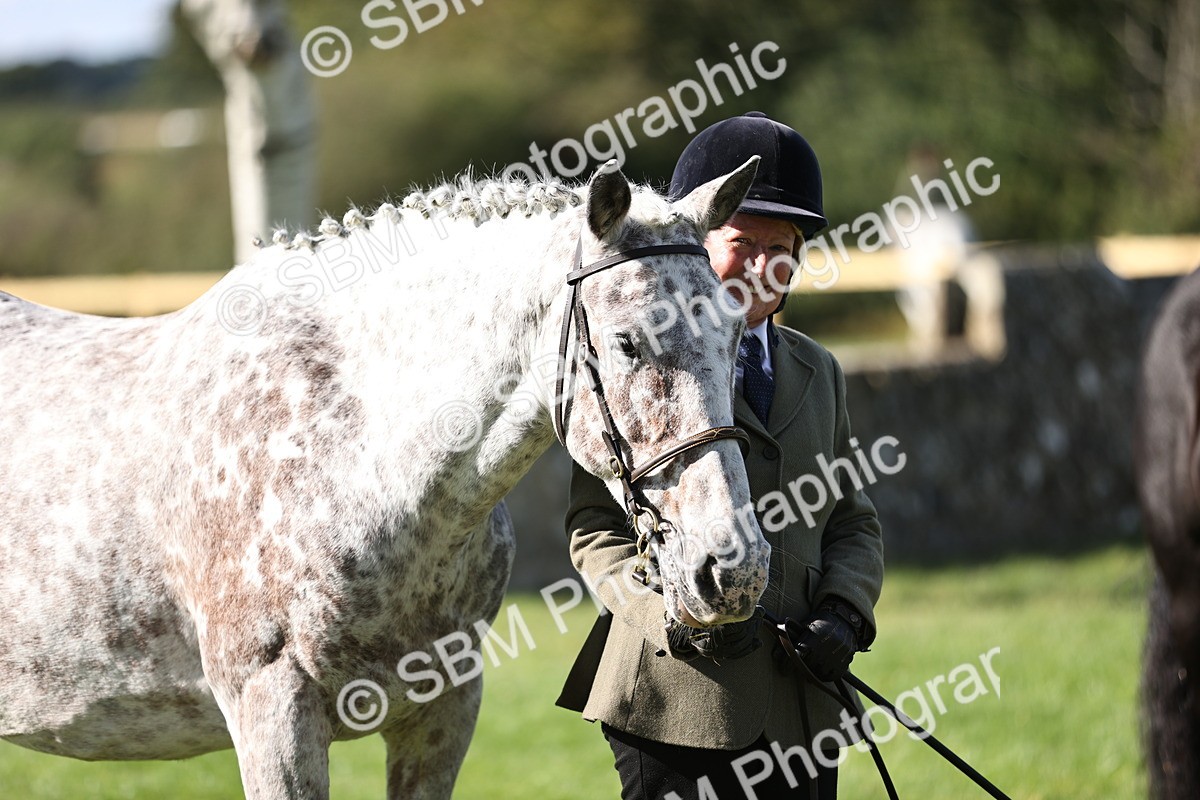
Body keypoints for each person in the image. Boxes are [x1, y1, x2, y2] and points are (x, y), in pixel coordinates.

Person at [556, 112, 885, 800]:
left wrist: (845, 616)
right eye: (742, 242)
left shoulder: (819, 370)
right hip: (675, 699)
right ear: (698, 242)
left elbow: (852, 518)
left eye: (783, 246)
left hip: (799, 703)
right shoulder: (643, 363)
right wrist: (662, 618)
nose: (763, 265)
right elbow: (594, 530)